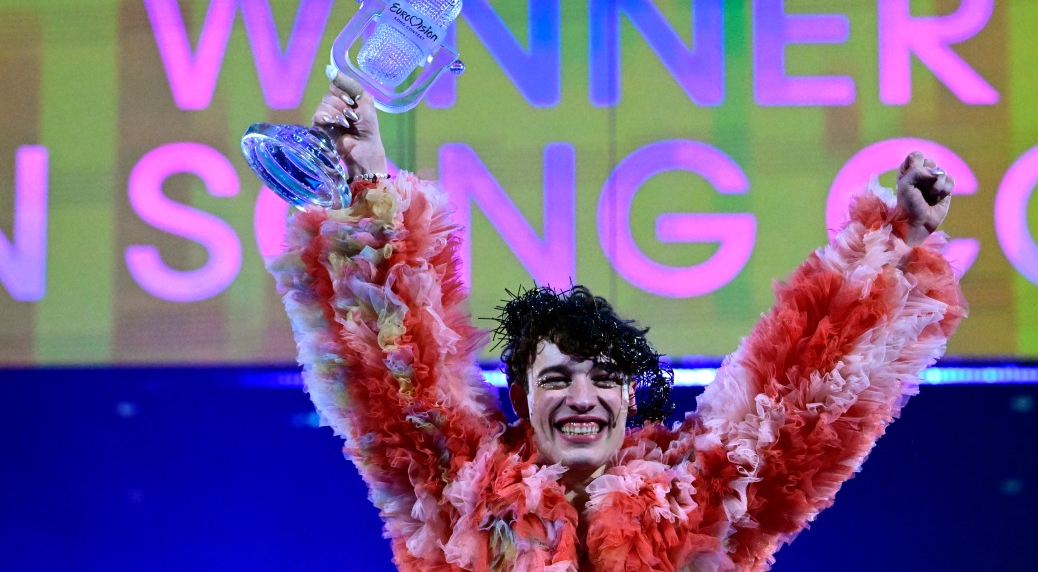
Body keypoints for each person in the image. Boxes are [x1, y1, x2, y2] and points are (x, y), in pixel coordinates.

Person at [269, 76, 966, 572]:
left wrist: (893, 239)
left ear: (630, 397)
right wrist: (367, 178)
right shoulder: (462, 493)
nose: (583, 398)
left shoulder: (694, 504)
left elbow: (793, 397)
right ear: (522, 396)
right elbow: (399, 368)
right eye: (557, 379)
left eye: (604, 379)